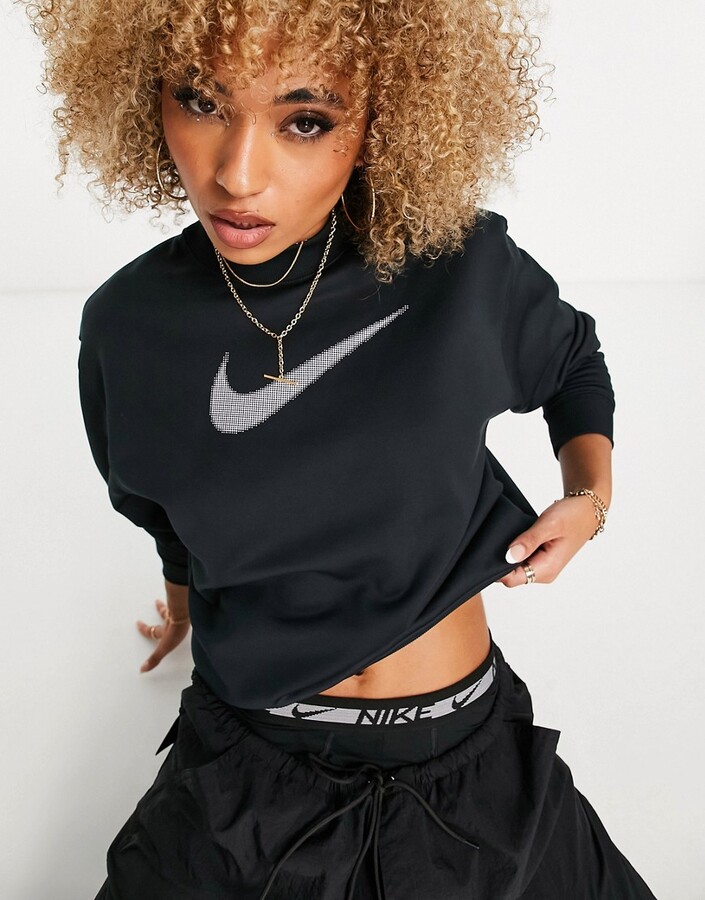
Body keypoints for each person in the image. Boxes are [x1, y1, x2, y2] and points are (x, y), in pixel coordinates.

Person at [24, 0, 657, 897]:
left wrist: (589, 497)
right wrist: (180, 610)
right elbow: (166, 515)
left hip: (467, 772)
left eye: (304, 121)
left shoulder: (455, 268)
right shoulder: (128, 329)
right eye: (201, 102)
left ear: (381, 121)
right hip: (245, 769)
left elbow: (572, 360)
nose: (237, 174)